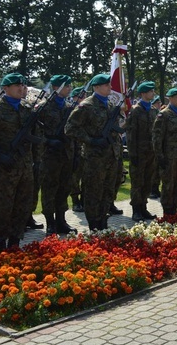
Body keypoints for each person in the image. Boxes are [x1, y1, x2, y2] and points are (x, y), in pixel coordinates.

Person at [0, 73, 41, 252]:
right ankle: (1, 246)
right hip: (4, 168)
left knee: (23, 206)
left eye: (23, 85)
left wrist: (36, 160)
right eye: (17, 85)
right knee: (2, 207)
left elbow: (36, 136)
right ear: (5, 88)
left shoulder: (27, 108)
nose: (21, 88)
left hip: (25, 167)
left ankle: (15, 243)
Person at [65, 73, 123, 231]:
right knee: (93, 193)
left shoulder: (110, 105)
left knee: (108, 191)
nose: (110, 87)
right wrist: (91, 140)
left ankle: (103, 222)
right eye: (106, 85)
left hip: (111, 156)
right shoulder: (87, 105)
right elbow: (70, 128)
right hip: (94, 158)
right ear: (96, 87)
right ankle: (94, 226)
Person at [39, 75, 77, 235]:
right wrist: (48, 141)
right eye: (66, 86)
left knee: (64, 189)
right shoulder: (43, 107)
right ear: (56, 87)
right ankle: (50, 222)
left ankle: (61, 220)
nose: (69, 88)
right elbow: (35, 131)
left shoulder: (68, 107)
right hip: (49, 155)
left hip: (66, 154)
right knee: (49, 189)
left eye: (69, 85)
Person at [152, 88, 177, 216]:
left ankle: (175, 208)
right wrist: (160, 156)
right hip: (169, 155)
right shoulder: (164, 115)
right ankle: (167, 211)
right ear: (170, 98)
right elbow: (157, 138)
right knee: (168, 184)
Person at [125, 81, 158, 222]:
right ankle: (136, 210)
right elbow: (131, 134)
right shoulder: (136, 110)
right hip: (139, 152)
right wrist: (132, 154)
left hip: (151, 152)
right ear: (143, 93)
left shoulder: (153, 110)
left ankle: (144, 207)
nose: (153, 93)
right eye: (150, 91)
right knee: (137, 182)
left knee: (147, 181)